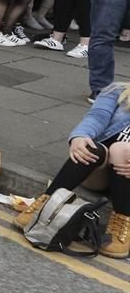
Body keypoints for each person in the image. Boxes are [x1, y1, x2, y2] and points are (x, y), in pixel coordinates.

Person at [12, 82, 130, 259]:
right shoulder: (118, 91)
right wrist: (80, 136)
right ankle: (44, 204)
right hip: (101, 171)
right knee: (93, 147)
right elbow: (97, 117)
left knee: (122, 149)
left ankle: (123, 224)